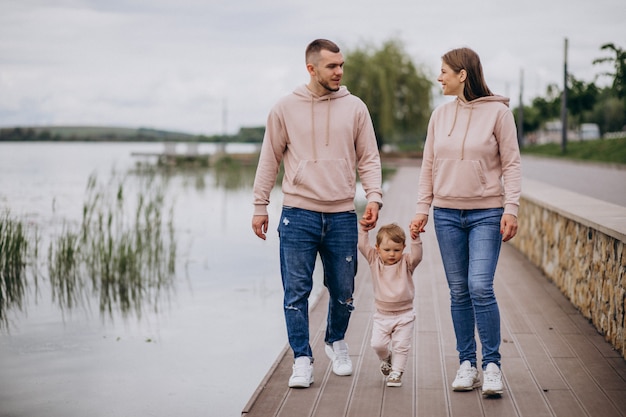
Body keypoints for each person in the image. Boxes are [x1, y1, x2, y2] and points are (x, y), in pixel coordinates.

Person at [252, 39, 383, 389]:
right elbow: (270, 159)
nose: (339, 71)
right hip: (298, 214)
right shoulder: (284, 108)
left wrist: (374, 197)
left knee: (344, 289)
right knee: (296, 292)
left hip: (341, 214)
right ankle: (301, 358)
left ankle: (335, 340)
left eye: (341, 65)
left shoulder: (355, 107)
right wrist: (259, 205)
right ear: (311, 68)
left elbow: (368, 156)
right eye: (332, 66)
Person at [410, 47, 521, 396]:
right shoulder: (439, 116)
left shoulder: (499, 115)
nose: (438, 77)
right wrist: (421, 209)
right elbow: (428, 165)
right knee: (458, 291)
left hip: (486, 212)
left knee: (479, 287)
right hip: (445, 214)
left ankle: (491, 366)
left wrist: (511, 207)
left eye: (443, 71)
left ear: (462, 74)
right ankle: (466, 364)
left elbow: (512, 164)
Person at [357, 223, 422, 387]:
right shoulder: (374, 260)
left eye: (396, 250)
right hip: (382, 314)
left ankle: (396, 373)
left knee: (401, 345)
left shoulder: (406, 262)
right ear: (378, 248)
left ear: (403, 248)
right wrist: (364, 230)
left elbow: (417, 256)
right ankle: (386, 358)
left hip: (405, 314)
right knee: (377, 344)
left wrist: (416, 238)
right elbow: (363, 245)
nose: (392, 254)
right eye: (387, 250)